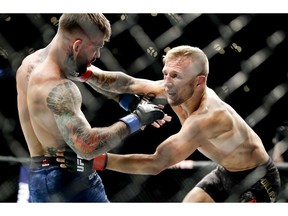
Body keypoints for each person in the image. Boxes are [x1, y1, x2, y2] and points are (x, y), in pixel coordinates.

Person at [58, 45, 281, 202]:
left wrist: (96, 160)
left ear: (198, 82)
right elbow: (129, 83)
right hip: (227, 172)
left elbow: (156, 163)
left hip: (259, 180)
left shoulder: (207, 117)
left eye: (175, 76)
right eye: (165, 74)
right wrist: (87, 73)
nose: (167, 83)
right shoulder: (173, 89)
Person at [15, 13, 168, 202]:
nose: (97, 55)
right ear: (77, 45)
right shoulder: (59, 87)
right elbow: (87, 146)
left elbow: (103, 79)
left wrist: (132, 101)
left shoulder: (30, 65)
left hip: (39, 175)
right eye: (97, 48)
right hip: (68, 178)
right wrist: (137, 118)